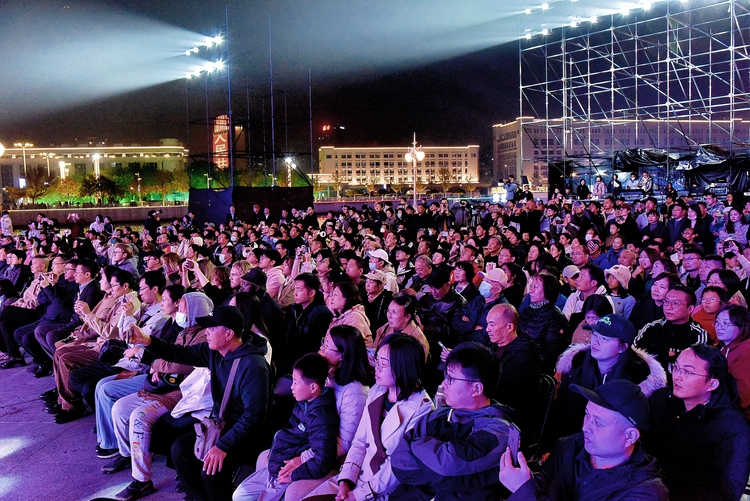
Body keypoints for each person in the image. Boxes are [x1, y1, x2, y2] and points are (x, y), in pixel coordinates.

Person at [128, 305, 270, 501]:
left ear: (228, 334)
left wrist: (222, 446)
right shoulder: (214, 351)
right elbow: (180, 353)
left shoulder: (253, 365)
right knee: (180, 450)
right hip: (222, 424)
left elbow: (253, 417)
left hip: (245, 433)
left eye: (212, 328)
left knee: (210, 470)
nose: (207, 332)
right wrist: (147, 341)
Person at [302, 334, 433, 501]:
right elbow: (360, 441)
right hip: (356, 476)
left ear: (402, 367)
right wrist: (346, 480)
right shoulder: (377, 391)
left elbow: (397, 467)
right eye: (376, 360)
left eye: (383, 364)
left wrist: (359, 494)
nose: (376, 367)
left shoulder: (422, 409)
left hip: (383, 490)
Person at [499, 379, 669, 500]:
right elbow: (539, 489)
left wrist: (523, 490)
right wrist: (523, 480)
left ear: (630, 436)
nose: (585, 427)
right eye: (587, 415)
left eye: (598, 422)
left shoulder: (647, 491)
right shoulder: (568, 447)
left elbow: (533, 494)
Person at [391, 342, 513, 500]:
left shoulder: (499, 430)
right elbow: (399, 462)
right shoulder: (440, 414)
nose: (443, 384)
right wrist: (439, 472)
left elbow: (446, 468)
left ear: (476, 389)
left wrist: (418, 444)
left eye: (451, 379)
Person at [646, 344, 750, 500]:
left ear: (712, 384)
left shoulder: (732, 428)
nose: (677, 376)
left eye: (687, 371)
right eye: (676, 367)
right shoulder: (661, 400)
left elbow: (727, 490)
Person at [233, 353, 339, 501]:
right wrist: (277, 448)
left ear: (313, 387)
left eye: (296, 382)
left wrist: (293, 476)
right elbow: (290, 431)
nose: (291, 387)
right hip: (279, 461)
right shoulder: (304, 403)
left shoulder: (322, 418)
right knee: (239, 495)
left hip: (287, 472)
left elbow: (322, 460)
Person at [282, 325, 371, 500]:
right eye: (323, 344)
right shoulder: (328, 376)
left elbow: (344, 443)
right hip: (312, 443)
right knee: (267, 459)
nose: (320, 351)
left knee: (293, 491)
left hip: (332, 458)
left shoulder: (355, 392)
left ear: (342, 355)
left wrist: (303, 456)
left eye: (326, 347)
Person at [553, 314, 667, 440]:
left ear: (623, 347)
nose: (595, 342)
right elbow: (561, 414)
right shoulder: (575, 365)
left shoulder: (639, 379)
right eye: (595, 335)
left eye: (605, 339)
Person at [633, 285, 709, 371]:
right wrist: (667, 354)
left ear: (690, 309)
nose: (669, 307)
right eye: (666, 302)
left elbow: (693, 364)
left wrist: (655, 353)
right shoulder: (652, 327)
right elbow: (635, 353)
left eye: (675, 303)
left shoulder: (698, 334)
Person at [517, 272, 570, 374]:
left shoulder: (556, 318)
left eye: (535, 287)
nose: (530, 291)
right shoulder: (526, 311)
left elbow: (551, 353)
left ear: (548, 290)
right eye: (531, 286)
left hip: (537, 370)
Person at [715, 305, 750, 419]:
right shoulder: (724, 346)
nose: (719, 327)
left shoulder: (745, 350)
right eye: (717, 322)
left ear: (742, 326)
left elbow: (743, 392)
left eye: (726, 323)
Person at [373, 295, 429, 361]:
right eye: (388, 311)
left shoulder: (417, 339)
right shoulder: (386, 327)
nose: (389, 316)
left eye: (394, 312)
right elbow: (374, 349)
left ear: (407, 317)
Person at [327, 281, 373, 348]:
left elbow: (348, 347)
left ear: (346, 298)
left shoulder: (355, 317)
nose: (332, 298)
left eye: (335, 295)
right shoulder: (341, 316)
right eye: (332, 295)